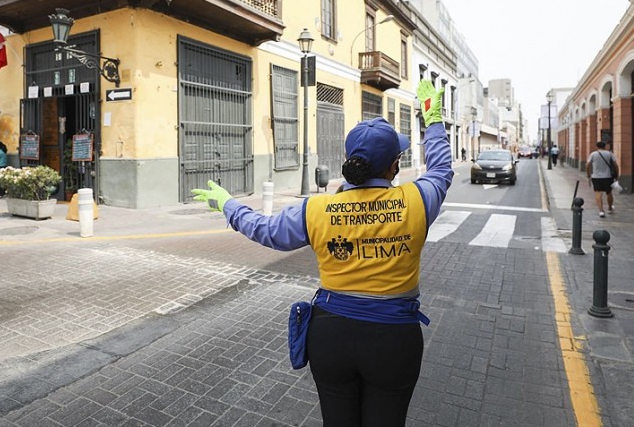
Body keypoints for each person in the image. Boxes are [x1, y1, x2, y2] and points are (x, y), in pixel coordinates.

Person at [192, 80, 453, 426]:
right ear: (394, 166)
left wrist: (228, 204)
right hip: (393, 339)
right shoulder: (416, 201)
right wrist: (432, 119)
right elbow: (441, 169)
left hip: (331, 337)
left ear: (350, 161)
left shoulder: (316, 209)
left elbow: (266, 230)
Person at [587, 141, 618, 218]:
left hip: (596, 177)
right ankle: (610, 208)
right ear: (605, 146)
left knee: (598, 193)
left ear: (597, 146)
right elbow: (615, 165)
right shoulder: (609, 154)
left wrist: (588, 174)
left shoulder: (593, 154)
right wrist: (616, 175)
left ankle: (601, 211)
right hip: (608, 177)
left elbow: (587, 165)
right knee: (609, 192)